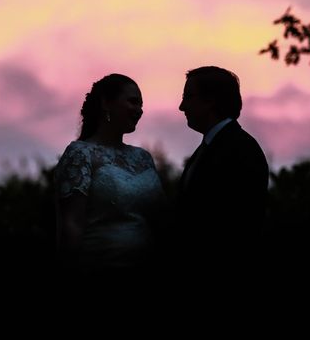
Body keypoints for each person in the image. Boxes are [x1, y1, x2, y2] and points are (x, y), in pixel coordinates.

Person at [55, 74, 168, 276]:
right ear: (106, 103)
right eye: (133, 102)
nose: (139, 110)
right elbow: (72, 222)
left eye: (141, 105)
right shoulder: (81, 154)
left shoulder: (143, 157)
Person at [176, 66, 269, 273]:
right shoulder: (209, 147)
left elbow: (240, 226)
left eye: (188, 96)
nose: (182, 106)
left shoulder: (241, 150)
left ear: (211, 100)